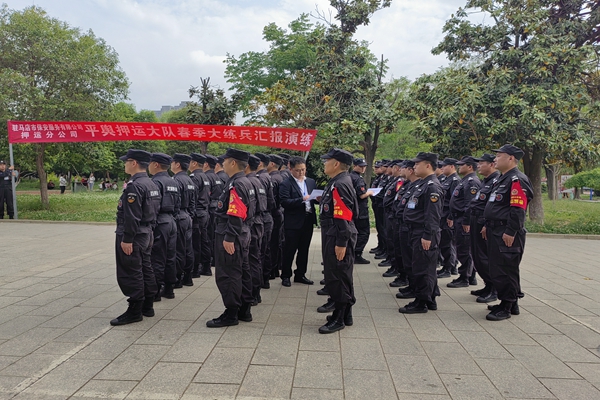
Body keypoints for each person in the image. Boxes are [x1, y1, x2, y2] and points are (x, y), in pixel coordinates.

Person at [483, 144, 533, 321]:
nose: (495, 159)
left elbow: (518, 208)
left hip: (506, 231)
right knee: (498, 268)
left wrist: (511, 231)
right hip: (495, 229)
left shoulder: (516, 179)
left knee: (505, 269)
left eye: (499, 156)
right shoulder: (502, 179)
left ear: (511, 158)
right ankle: (510, 302)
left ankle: (507, 306)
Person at [207, 148, 256, 328]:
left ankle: (231, 313)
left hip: (231, 233)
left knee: (228, 274)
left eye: (225, 161)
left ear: (233, 163)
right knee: (242, 271)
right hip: (241, 232)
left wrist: (229, 237)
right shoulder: (245, 181)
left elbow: (236, 213)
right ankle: (244, 309)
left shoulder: (237, 183)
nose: (222, 164)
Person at [111, 149, 161, 326]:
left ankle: (134, 310)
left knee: (131, 271)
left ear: (134, 163)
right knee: (145, 268)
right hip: (147, 233)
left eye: (126, 161)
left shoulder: (135, 185)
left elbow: (132, 216)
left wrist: (127, 239)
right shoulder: (151, 183)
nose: (124, 164)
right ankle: (147, 306)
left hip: (135, 235)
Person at [318, 148, 359, 334]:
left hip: (338, 234)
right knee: (340, 274)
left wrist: (341, 242)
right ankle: (346, 313)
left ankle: (339, 317)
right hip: (334, 232)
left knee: (337, 276)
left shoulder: (340, 184)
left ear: (336, 164)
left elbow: (343, 215)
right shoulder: (338, 181)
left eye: (327, 160)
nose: (324, 163)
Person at [399, 152, 443, 314]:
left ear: (428, 165)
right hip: (416, 231)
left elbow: (433, 214)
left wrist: (428, 235)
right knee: (424, 266)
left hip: (423, 233)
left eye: (417, 164)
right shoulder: (423, 184)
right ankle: (430, 298)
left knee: (423, 268)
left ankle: (421, 302)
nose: (414, 166)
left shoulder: (432, 186)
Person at [279, 156, 317, 287]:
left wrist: (317, 199)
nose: (301, 172)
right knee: (289, 249)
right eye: (297, 170)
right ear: (290, 169)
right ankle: (286, 275)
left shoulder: (310, 182)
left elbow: (313, 198)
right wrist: (302, 199)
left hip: (308, 219)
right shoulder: (286, 184)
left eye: (303, 169)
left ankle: (300, 274)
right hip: (293, 221)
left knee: (304, 249)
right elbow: (284, 202)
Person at [469, 154, 501, 303]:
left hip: (484, 222)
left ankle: (494, 289)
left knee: (485, 258)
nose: (478, 166)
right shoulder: (485, 181)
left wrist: (485, 224)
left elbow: (493, 206)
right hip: (476, 220)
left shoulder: (496, 181)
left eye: (482, 163)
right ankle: (488, 285)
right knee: (477, 257)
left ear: (491, 165)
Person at [446, 156, 482, 288]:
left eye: (462, 165)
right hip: (458, 218)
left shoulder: (472, 182)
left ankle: (465, 277)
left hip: (463, 219)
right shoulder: (465, 181)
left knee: (465, 249)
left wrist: (466, 222)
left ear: (470, 167)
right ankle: (470, 276)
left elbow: (470, 204)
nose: (459, 167)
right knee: (462, 248)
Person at [148, 153, 179, 301]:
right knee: (170, 256)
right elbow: (178, 204)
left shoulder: (155, 182)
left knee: (157, 257)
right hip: (171, 221)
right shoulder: (173, 181)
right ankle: (169, 289)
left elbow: (152, 206)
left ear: (156, 165)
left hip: (160, 221)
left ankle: (155, 291)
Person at [244, 155, 267, 307]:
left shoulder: (247, 182)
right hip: (259, 221)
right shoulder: (259, 181)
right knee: (255, 258)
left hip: (251, 223)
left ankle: (252, 293)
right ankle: (256, 293)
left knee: (250, 260)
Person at [171, 154, 196, 287]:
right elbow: (193, 202)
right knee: (188, 248)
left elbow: (175, 202)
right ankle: (188, 277)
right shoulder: (189, 180)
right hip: (187, 216)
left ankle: (178, 278)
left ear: (177, 164)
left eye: (172, 162)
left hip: (179, 216)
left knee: (179, 249)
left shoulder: (176, 180)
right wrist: (189, 215)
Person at [263, 154, 285, 286]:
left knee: (271, 243)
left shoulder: (272, 178)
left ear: (272, 164)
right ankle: (275, 269)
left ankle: (271, 270)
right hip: (279, 212)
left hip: (273, 213)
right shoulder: (281, 177)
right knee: (277, 242)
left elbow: (271, 200)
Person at [189, 153, 211, 277]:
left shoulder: (195, 177)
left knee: (196, 243)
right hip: (204, 212)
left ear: (194, 163)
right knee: (204, 241)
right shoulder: (205, 176)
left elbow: (193, 197)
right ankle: (206, 267)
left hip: (197, 213)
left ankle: (195, 270)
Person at [437, 158, 460, 278]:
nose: (442, 168)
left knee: (449, 243)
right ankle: (447, 265)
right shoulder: (446, 180)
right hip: (443, 215)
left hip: (448, 216)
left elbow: (454, 201)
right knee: (444, 243)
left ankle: (450, 268)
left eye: (444, 166)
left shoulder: (455, 181)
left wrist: (451, 216)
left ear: (452, 166)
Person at [350, 158, 374, 264]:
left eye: (364, 166)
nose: (363, 168)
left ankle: (353, 253)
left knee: (355, 232)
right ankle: (357, 254)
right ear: (354, 166)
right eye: (361, 166)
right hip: (361, 210)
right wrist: (369, 193)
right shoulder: (357, 179)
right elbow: (361, 195)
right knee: (364, 233)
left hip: (354, 209)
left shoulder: (349, 177)